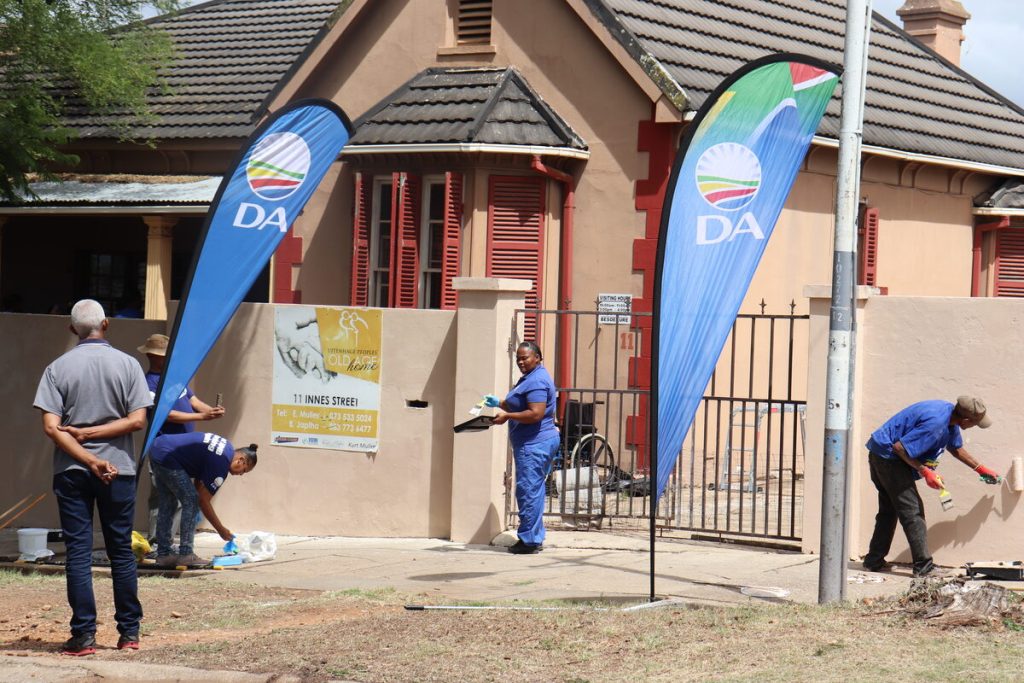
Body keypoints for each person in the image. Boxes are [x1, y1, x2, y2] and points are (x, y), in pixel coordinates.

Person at [33, 299, 152, 655]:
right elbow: (137, 421)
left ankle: (83, 636)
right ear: (106, 324)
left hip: (72, 471)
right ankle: (129, 634)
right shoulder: (129, 365)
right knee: (121, 551)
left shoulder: (57, 368)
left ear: (72, 329)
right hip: (119, 470)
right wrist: (99, 449)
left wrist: (86, 448)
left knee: (79, 554)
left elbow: (51, 427)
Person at [863, 395, 1001, 577]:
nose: (975, 426)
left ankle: (873, 561)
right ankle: (923, 567)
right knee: (913, 511)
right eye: (975, 423)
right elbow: (900, 448)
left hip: (880, 453)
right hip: (888, 459)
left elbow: (956, 448)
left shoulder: (950, 415)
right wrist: (926, 471)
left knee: (889, 510)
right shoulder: (935, 424)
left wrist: (980, 469)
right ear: (966, 420)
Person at [137, 333, 226, 542]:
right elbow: (165, 415)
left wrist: (210, 411)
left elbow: (193, 400)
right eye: (166, 355)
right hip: (164, 451)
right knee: (162, 498)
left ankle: (166, 541)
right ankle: (157, 542)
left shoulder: (175, 379)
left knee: (178, 499)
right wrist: (202, 416)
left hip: (183, 451)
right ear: (154, 356)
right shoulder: (148, 383)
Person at [486, 341, 561, 555]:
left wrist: (507, 416)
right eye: (518, 358)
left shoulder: (536, 381)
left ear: (537, 357)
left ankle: (529, 541)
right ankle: (534, 536)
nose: (520, 362)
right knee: (533, 490)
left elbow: (535, 413)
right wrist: (499, 403)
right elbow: (520, 404)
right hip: (535, 442)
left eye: (525, 358)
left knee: (528, 491)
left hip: (534, 444)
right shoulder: (530, 377)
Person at [148, 431, 257, 568]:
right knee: (191, 500)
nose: (240, 474)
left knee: (168, 503)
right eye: (244, 470)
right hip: (168, 456)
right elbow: (203, 501)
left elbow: (200, 481)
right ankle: (186, 554)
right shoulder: (221, 464)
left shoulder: (226, 448)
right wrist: (221, 530)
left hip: (158, 447)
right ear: (240, 460)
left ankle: (164, 555)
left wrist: (196, 504)